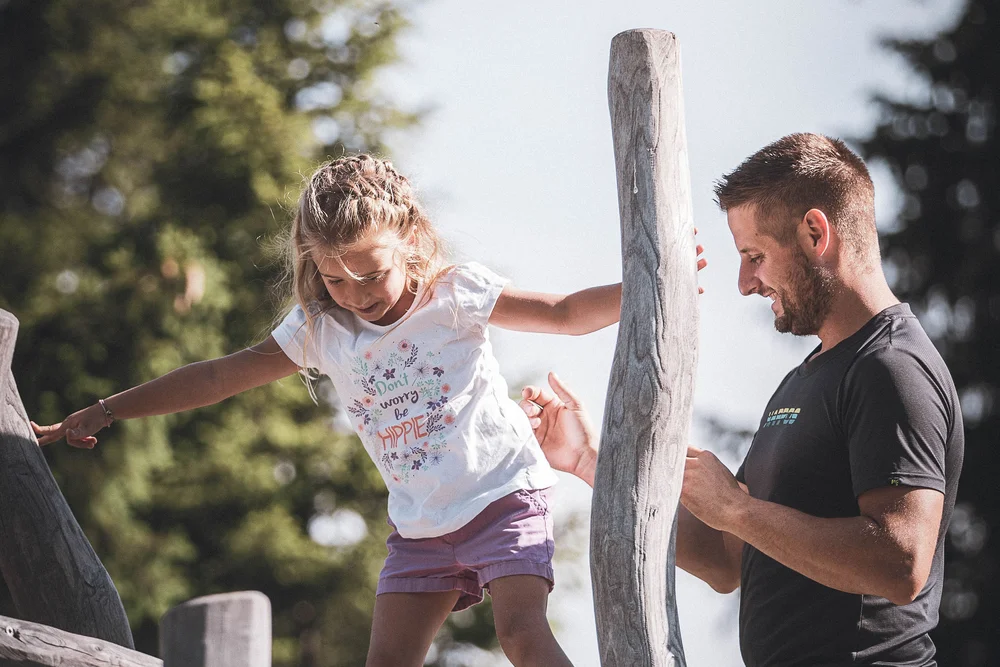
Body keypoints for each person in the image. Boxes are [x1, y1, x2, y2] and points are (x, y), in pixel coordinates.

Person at [32, 154, 703, 667]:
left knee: (521, 635)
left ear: (409, 240)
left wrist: (654, 281)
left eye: (371, 273)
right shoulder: (320, 329)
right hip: (420, 528)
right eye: (334, 278)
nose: (355, 294)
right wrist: (107, 409)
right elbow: (217, 375)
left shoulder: (453, 295)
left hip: (502, 495)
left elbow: (563, 313)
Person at [520, 134, 964, 666]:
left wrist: (738, 508)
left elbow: (901, 565)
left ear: (815, 233)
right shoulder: (804, 380)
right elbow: (725, 559)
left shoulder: (892, 368)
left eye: (755, 256)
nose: (745, 283)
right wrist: (594, 463)